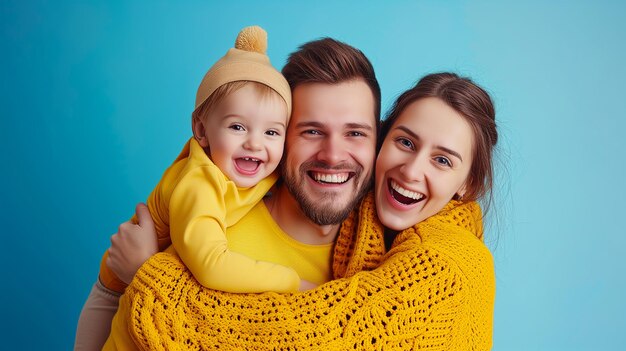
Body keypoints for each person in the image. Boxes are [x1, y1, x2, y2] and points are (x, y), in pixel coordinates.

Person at [106, 49, 498, 350]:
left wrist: (144, 273)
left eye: (356, 133)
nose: (333, 154)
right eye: (311, 131)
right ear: (278, 136)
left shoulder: (398, 257)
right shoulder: (205, 224)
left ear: (374, 141)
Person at [74, 25, 298, 350]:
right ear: (201, 130)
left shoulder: (258, 167)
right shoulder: (198, 185)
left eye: (272, 133)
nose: (255, 144)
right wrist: (289, 279)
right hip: (116, 283)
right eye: (237, 126)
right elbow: (211, 266)